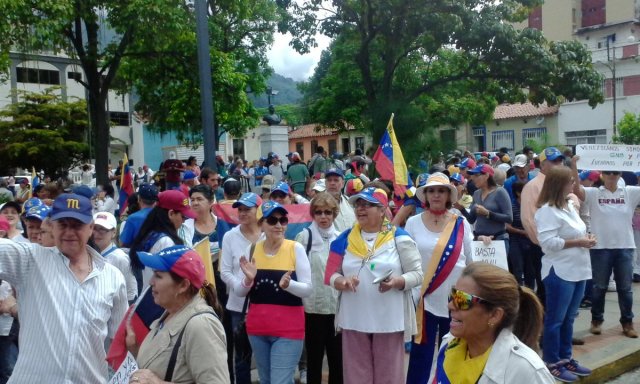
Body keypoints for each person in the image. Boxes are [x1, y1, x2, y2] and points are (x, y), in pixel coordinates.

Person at [0, 193, 128, 383]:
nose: (69, 232)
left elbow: (119, 341)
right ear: (52, 226)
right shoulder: (30, 260)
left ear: (90, 228)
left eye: (77, 225)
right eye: (63, 224)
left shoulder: (113, 277)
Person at [325, 187, 423, 383]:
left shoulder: (399, 237)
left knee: (389, 375)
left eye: (367, 205)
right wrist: (342, 282)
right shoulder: (342, 240)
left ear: (382, 209)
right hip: (354, 318)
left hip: (389, 319)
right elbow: (330, 276)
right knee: (356, 375)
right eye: (358, 205)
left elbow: (418, 275)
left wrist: (397, 282)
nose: (361, 209)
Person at [433, 263, 554, 384]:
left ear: (495, 315)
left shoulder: (528, 372)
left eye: (462, 299)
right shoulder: (449, 344)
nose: (450, 305)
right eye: (453, 294)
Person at [405, 173, 473, 384]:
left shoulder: (461, 223)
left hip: (458, 299)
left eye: (441, 190)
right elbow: (407, 262)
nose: (436, 195)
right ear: (425, 195)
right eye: (431, 190)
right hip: (423, 300)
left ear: (448, 195)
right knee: (420, 357)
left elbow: (471, 263)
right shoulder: (413, 223)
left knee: (455, 352)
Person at [127, 245, 229, 383]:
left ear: (183, 286)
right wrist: (135, 350)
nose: (151, 282)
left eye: (158, 276)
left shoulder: (201, 325)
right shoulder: (169, 313)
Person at [236, 201, 312, 384]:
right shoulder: (252, 249)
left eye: (283, 220)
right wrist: (248, 280)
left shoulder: (295, 248)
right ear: (262, 223)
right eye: (272, 220)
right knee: (266, 380)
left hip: (288, 329)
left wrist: (289, 285)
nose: (279, 225)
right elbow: (239, 291)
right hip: (257, 328)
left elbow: (308, 289)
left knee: (280, 381)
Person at [535, 166, 595, 382]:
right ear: (559, 184)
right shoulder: (546, 211)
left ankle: (565, 357)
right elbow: (547, 243)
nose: (574, 184)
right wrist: (578, 242)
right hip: (559, 271)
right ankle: (552, 361)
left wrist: (586, 238)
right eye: (570, 181)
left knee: (569, 318)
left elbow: (576, 231)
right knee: (556, 319)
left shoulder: (569, 206)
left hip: (578, 269)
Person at [571, 158, 640, 338]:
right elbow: (576, 190)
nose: (611, 175)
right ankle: (596, 320)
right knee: (599, 287)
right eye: (608, 172)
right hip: (600, 248)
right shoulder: (594, 193)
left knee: (625, 288)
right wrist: (574, 167)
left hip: (625, 247)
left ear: (620, 175)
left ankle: (627, 322)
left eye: (615, 172)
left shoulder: (630, 192)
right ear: (602, 174)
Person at [295, 193, 342, 384]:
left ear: (334, 214)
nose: (323, 216)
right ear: (313, 214)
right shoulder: (304, 237)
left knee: (337, 362)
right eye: (319, 212)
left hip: (337, 310)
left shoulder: (341, 238)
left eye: (328, 212)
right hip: (312, 309)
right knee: (314, 362)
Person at [220, 192, 263, 384]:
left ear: (258, 210)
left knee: (265, 355)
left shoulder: (268, 233)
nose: (243, 213)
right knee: (242, 357)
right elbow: (225, 271)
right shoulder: (230, 236)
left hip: (265, 303)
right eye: (240, 209)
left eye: (248, 209)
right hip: (239, 306)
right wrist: (240, 287)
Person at [129, 190, 195, 295]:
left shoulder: (151, 233)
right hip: (159, 298)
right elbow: (167, 280)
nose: (184, 221)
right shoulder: (166, 242)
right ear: (171, 213)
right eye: (183, 217)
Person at [92, 212, 138, 303]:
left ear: (114, 232)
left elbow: (131, 293)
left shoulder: (120, 258)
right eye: (94, 228)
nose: (96, 234)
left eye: (102, 229)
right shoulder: (86, 253)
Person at [467, 164, 513, 252]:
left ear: (487, 176)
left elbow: (509, 218)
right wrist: (461, 208)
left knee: (497, 266)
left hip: (498, 240)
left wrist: (488, 213)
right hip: (480, 240)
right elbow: (471, 220)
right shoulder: (476, 193)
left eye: (477, 175)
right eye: (473, 176)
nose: (473, 178)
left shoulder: (500, 192)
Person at [120, 183, 159, 247]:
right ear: (155, 201)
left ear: (138, 198)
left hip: (138, 255)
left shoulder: (133, 218)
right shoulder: (163, 217)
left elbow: (123, 243)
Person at [324, 168, 356, 232]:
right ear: (325, 183)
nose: (332, 183)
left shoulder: (350, 202)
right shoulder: (316, 203)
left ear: (343, 183)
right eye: (329, 180)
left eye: (336, 180)